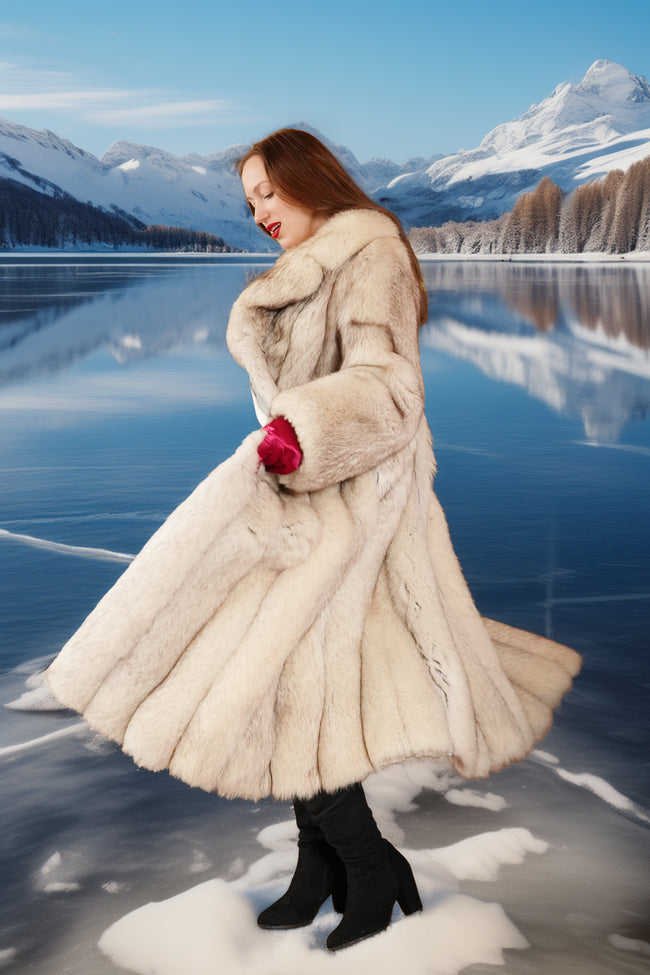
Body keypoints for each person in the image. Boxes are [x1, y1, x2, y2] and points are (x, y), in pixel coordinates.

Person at [46, 128, 581, 953]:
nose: (259, 211)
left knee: (294, 684)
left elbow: (390, 384)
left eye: (268, 191)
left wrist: (306, 432)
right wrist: (290, 446)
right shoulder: (306, 269)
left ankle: (367, 865)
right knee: (293, 692)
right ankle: (322, 864)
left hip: (355, 510)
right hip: (301, 501)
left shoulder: (371, 255)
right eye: (248, 201)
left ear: (309, 178)